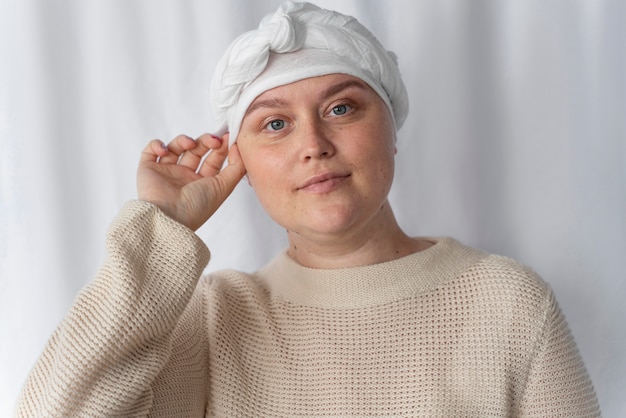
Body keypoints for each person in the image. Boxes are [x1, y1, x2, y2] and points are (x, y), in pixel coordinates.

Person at [15, 2, 600, 416]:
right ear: (240, 164)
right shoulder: (211, 321)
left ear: (390, 130)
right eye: (274, 123)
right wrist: (160, 227)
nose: (313, 144)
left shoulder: (508, 304)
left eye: (342, 108)